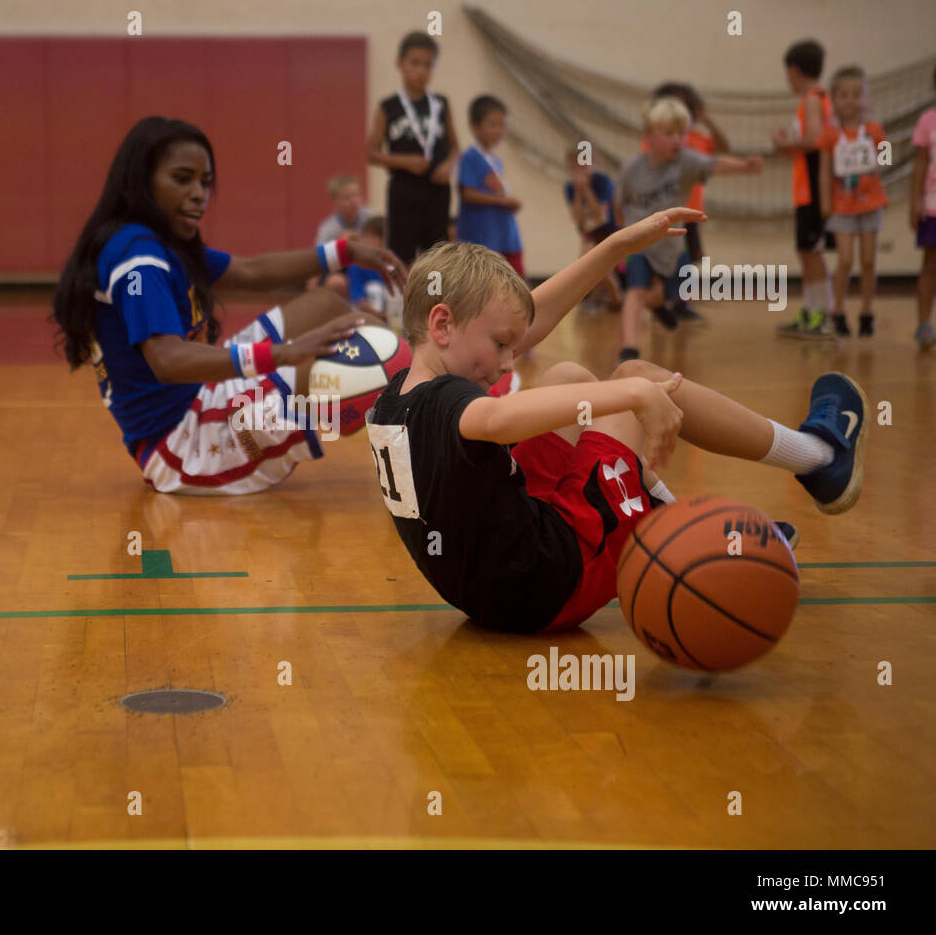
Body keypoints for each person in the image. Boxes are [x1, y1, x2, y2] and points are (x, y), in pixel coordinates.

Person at [366, 211, 867, 634]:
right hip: (549, 581)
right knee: (633, 381)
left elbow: (522, 321)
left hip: (489, 586)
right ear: (442, 323)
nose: (507, 362)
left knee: (566, 376)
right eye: (500, 346)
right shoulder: (452, 401)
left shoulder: (399, 396)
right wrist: (632, 391)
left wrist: (616, 246)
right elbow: (496, 418)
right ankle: (817, 457)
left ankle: (680, 526)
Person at [51, 116, 407, 495]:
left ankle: (416, 402)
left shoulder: (159, 242)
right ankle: (420, 449)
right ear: (142, 182)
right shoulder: (140, 261)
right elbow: (168, 362)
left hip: (202, 395)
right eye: (182, 179)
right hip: (183, 445)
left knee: (329, 307)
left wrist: (345, 252)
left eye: (205, 182)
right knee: (339, 367)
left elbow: (251, 271)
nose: (198, 193)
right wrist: (284, 354)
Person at [617, 96, 762, 364]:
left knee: (673, 294)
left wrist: (744, 166)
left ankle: (659, 305)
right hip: (639, 244)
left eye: (682, 133)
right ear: (648, 135)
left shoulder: (686, 163)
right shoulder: (632, 170)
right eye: (669, 133)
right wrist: (622, 240)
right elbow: (619, 205)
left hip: (672, 245)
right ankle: (629, 352)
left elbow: (714, 164)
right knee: (635, 292)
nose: (677, 140)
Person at [367, 32, 458, 264]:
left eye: (428, 65)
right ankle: (400, 301)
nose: (421, 70)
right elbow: (371, 153)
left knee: (437, 258)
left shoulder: (441, 104)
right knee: (401, 257)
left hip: (437, 192)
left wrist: (448, 165)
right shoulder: (388, 107)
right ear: (400, 64)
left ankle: (434, 300)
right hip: (404, 191)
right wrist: (405, 162)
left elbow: (455, 146)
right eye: (415, 63)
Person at [646, 82, 729, 321]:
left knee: (690, 258)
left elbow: (723, 146)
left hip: (691, 209)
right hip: (665, 209)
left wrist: (706, 119)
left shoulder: (696, 138)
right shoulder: (656, 139)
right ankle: (660, 302)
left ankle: (681, 303)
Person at [772, 39, 836, 339]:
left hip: (812, 187)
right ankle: (812, 311)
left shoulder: (812, 99)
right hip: (806, 187)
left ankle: (823, 315)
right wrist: (790, 146)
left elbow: (813, 140)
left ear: (794, 70)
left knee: (811, 250)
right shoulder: (819, 98)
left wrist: (785, 144)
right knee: (806, 250)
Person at [821, 66, 888, 338]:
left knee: (869, 261)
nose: (850, 100)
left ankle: (866, 312)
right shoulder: (830, 134)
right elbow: (824, 171)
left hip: (870, 203)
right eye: (844, 95)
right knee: (846, 260)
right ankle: (836, 310)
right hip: (842, 207)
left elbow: (884, 156)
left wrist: (877, 182)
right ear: (834, 99)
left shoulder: (873, 129)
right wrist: (826, 203)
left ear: (864, 98)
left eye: (856, 95)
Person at [456, 94, 524, 275]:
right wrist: (501, 202)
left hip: (503, 233)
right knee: (482, 280)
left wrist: (508, 202)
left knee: (514, 278)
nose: (499, 131)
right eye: (493, 125)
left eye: (503, 125)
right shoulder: (470, 157)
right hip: (482, 235)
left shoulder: (496, 160)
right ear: (475, 126)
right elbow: (467, 193)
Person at [563, 145, 621, 311]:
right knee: (588, 262)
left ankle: (614, 295)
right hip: (590, 232)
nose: (579, 171)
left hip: (609, 231)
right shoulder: (569, 187)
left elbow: (600, 215)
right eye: (575, 167)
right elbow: (578, 218)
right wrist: (577, 193)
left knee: (593, 262)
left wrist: (586, 190)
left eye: (583, 165)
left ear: (594, 164)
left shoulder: (602, 181)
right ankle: (602, 296)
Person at [312, 175, 372, 296]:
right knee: (336, 283)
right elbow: (317, 261)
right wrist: (339, 244)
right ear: (336, 202)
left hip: (367, 268)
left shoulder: (369, 218)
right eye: (347, 198)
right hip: (341, 271)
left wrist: (360, 240)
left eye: (356, 195)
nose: (353, 201)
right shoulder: (328, 228)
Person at [911, 63, 936, 351]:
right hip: (932, 204)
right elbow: (919, 164)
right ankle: (923, 324)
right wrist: (916, 199)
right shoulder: (927, 120)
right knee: (929, 264)